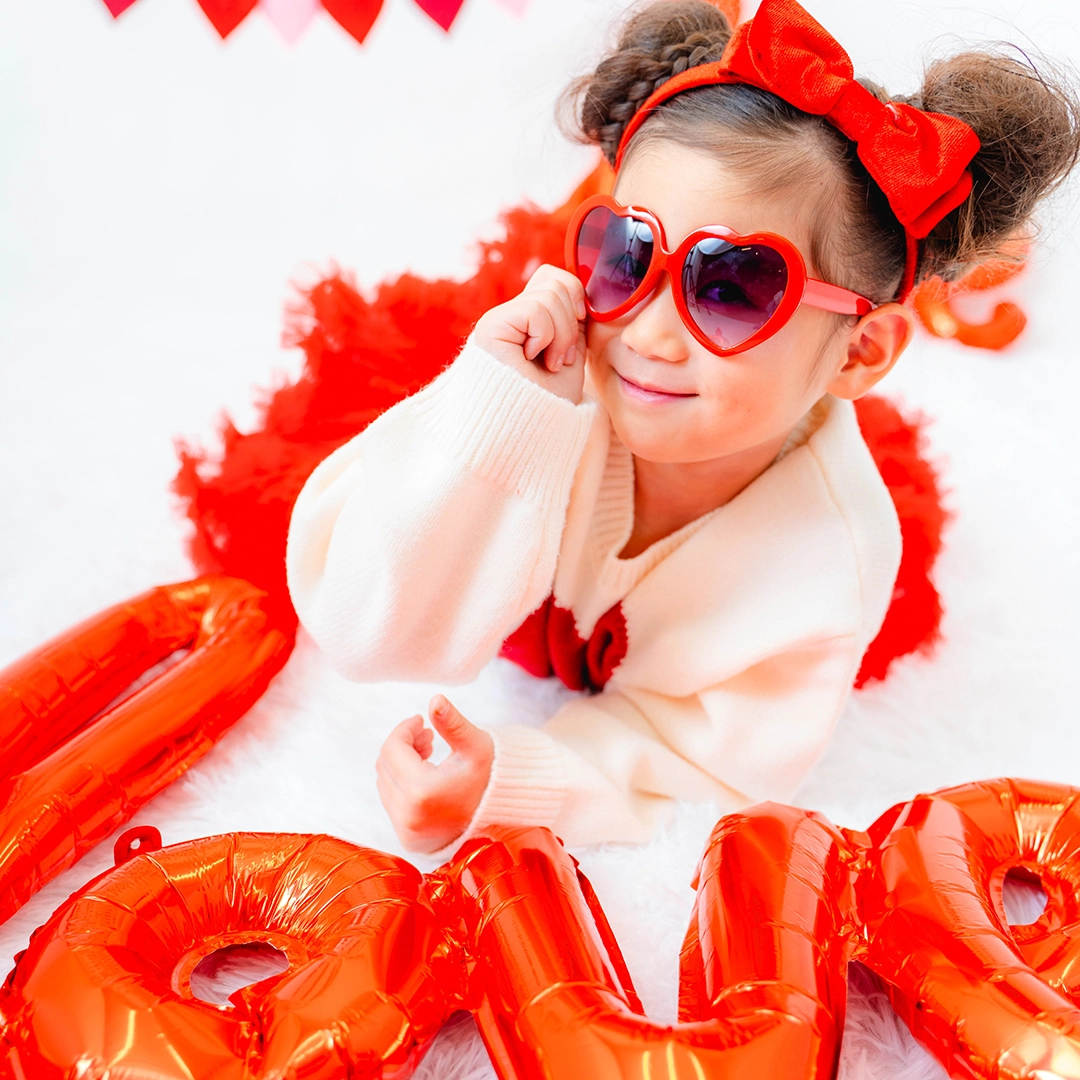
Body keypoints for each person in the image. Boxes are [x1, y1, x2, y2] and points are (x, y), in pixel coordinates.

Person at [285, 0, 1079, 855]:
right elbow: (363, 625)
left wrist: (508, 784)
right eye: (627, 254)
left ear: (859, 353)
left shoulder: (820, 570)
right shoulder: (545, 388)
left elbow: (702, 763)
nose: (648, 335)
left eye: (732, 288)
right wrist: (499, 411)